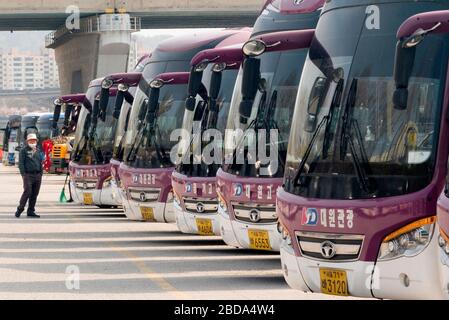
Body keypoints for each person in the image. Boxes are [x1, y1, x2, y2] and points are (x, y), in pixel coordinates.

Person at [15, 133, 43, 218]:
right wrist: (23, 174)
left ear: (36, 141)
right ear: (27, 141)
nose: (32, 141)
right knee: (27, 192)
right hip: (28, 175)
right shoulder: (23, 151)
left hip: (37, 175)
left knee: (35, 193)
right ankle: (20, 209)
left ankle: (31, 211)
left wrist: (41, 173)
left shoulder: (38, 150)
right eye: (31, 140)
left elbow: (40, 162)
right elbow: (21, 164)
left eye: (34, 140)